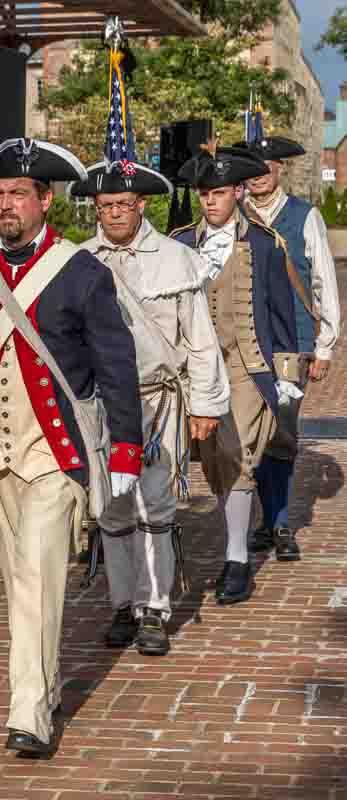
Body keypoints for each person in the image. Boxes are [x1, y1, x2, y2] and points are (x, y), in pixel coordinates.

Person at [0, 137, 144, 756]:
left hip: (54, 455)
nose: (5, 203)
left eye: (17, 193)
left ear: (45, 200)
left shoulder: (82, 273)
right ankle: (45, 683)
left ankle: (28, 714)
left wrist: (124, 448)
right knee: (21, 584)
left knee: (37, 576)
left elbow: (114, 365)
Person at [70, 158, 229, 657]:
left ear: (140, 205)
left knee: (155, 504)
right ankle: (123, 602)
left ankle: (155, 608)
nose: (113, 213)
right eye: (104, 206)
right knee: (111, 507)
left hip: (157, 402)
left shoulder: (176, 258)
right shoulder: (77, 260)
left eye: (122, 204)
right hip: (100, 405)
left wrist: (205, 403)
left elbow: (200, 340)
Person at [171, 145, 299, 605]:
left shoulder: (265, 244)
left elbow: (282, 315)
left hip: (247, 367)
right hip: (194, 367)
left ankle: (237, 559)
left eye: (219, 193)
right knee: (211, 459)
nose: (210, 202)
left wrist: (287, 373)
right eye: (205, 194)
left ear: (238, 193)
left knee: (238, 452)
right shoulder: (181, 242)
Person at [238, 134, 341, 560]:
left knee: (281, 431)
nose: (261, 173)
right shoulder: (233, 215)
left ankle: (278, 523)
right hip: (242, 342)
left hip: (289, 344)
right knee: (247, 434)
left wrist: (325, 346)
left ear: (280, 169)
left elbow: (322, 280)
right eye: (254, 166)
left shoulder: (303, 216)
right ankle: (265, 515)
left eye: (269, 165)